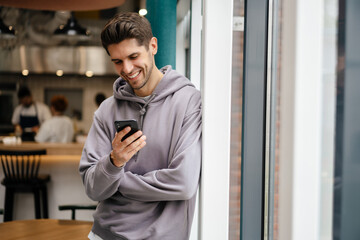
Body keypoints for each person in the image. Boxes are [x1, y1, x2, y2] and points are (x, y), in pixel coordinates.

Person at [79, 12, 202, 240]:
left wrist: (116, 180)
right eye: (117, 61)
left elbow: (183, 183)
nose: (127, 68)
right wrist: (115, 162)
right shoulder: (107, 110)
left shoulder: (188, 102)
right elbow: (93, 189)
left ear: (152, 46)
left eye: (133, 56)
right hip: (104, 235)